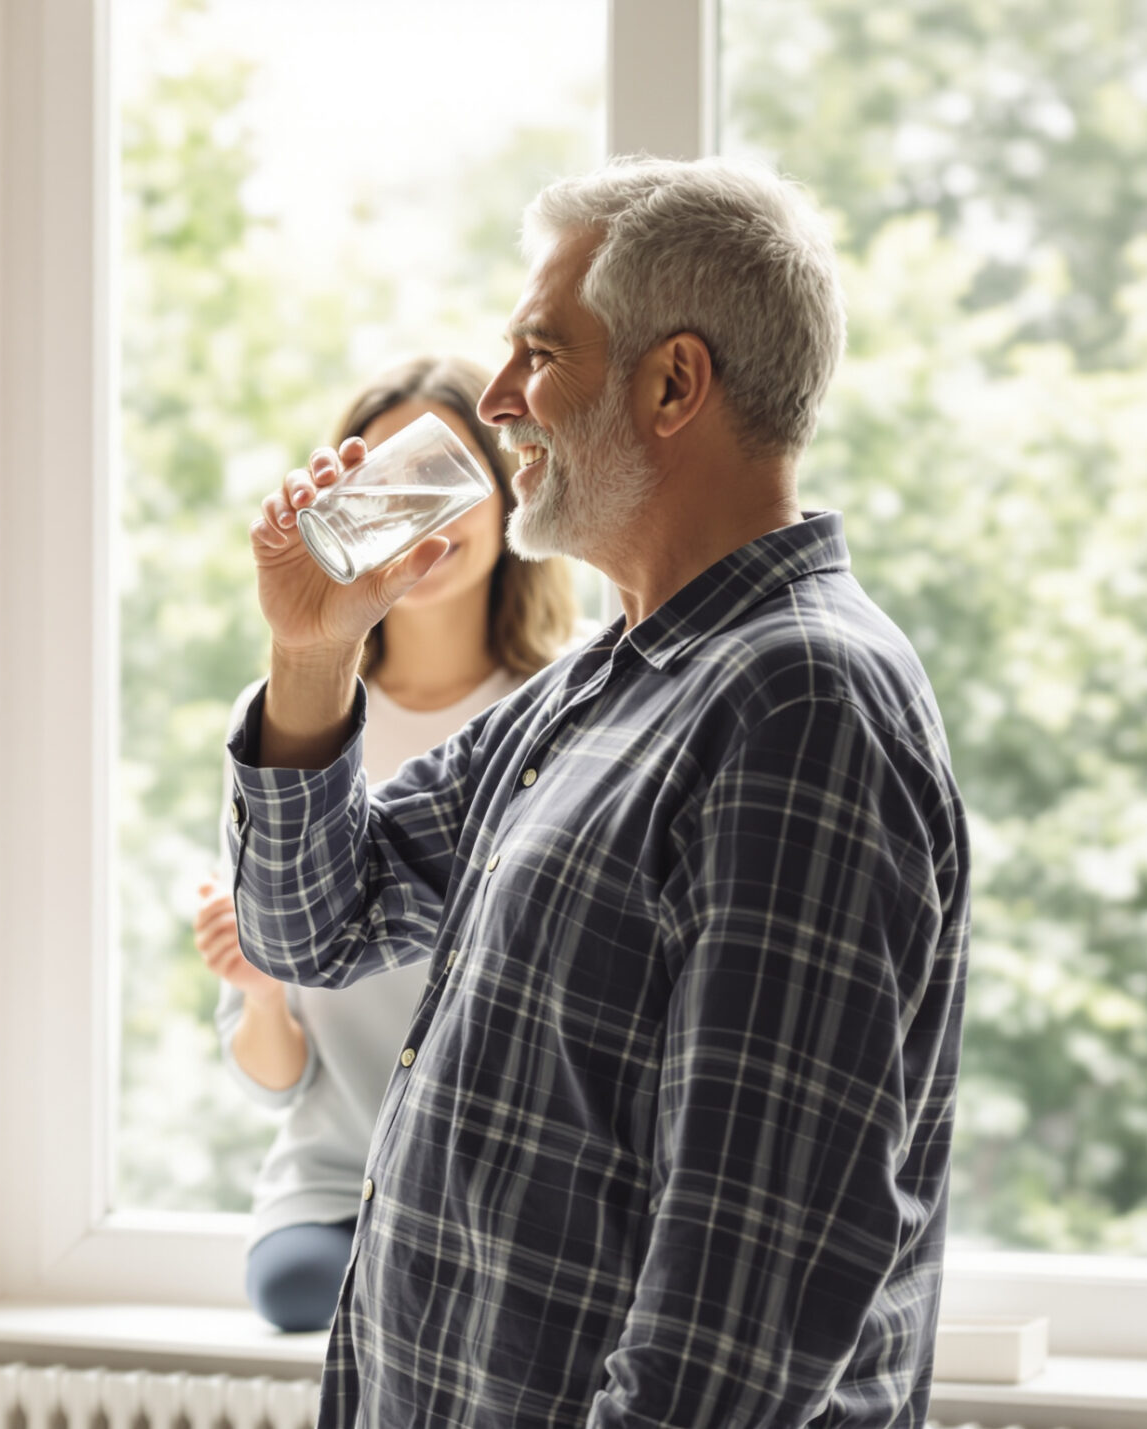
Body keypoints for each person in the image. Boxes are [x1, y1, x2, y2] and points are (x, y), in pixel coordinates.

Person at [228, 156, 970, 1428]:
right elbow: (314, 926)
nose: (502, 399)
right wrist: (310, 654)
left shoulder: (801, 706)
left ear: (674, 382)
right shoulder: (602, 683)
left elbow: (729, 1339)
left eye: (537, 351)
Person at [196, 357, 576, 1334]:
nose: (418, 518)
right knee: (300, 1289)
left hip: (506, 1179)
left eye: (443, 481)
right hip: (342, 1185)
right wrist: (260, 986)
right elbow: (268, 1080)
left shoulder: (564, 716)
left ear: (507, 497)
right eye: (383, 494)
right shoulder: (293, 732)